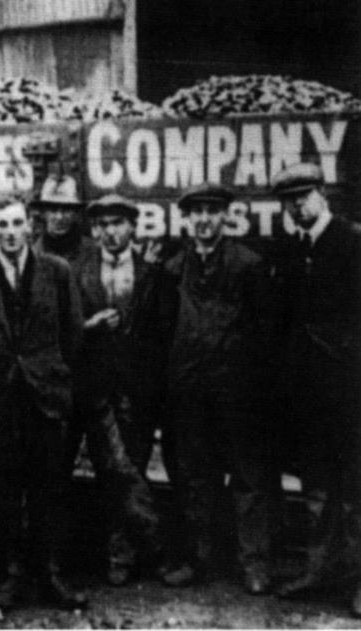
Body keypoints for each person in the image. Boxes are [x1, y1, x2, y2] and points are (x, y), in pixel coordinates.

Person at [0, 197, 87, 610]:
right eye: (2, 224)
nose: (10, 232)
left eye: (17, 223)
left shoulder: (58, 271)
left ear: (30, 226)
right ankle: (8, 577)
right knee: (1, 492)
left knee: (50, 489)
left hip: (45, 399)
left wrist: (55, 380)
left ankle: (51, 575)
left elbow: (73, 336)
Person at [154, 184, 274, 593]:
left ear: (226, 216)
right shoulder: (173, 268)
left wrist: (250, 385)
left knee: (247, 479)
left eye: (212, 211)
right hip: (190, 393)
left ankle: (253, 564)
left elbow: (263, 334)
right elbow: (164, 332)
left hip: (237, 394)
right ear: (187, 219)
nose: (204, 220)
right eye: (197, 212)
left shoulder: (248, 264)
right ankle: (202, 560)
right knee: (195, 478)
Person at [269, 164, 361, 617]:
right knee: (317, 489)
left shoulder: (352, 241)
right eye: (288, 200)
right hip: (306, 393)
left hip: (350, 389)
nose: (296, 206)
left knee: (356, 488)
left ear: (323, 194)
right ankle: (320, 571)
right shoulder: (289, 249)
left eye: (303, 196)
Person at [77, 195, 165, 586]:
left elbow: (164, 331)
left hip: (140, 390)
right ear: (95, 230)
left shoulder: (153, 273)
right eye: (103, 224)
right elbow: (65, 326)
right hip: (96, 388)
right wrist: (89, 327)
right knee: (114, 468)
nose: (110, 232)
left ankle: (123, 556)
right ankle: (158, 547)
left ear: (133, 227)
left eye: (118, 223)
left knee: (133, 465)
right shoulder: (77, 271)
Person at [32, 175, 93, 279]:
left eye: (66, 209)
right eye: (53, 210)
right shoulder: (33, 256)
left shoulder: (92, 251)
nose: (59, 217)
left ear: (75, 213)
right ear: (43, 213)